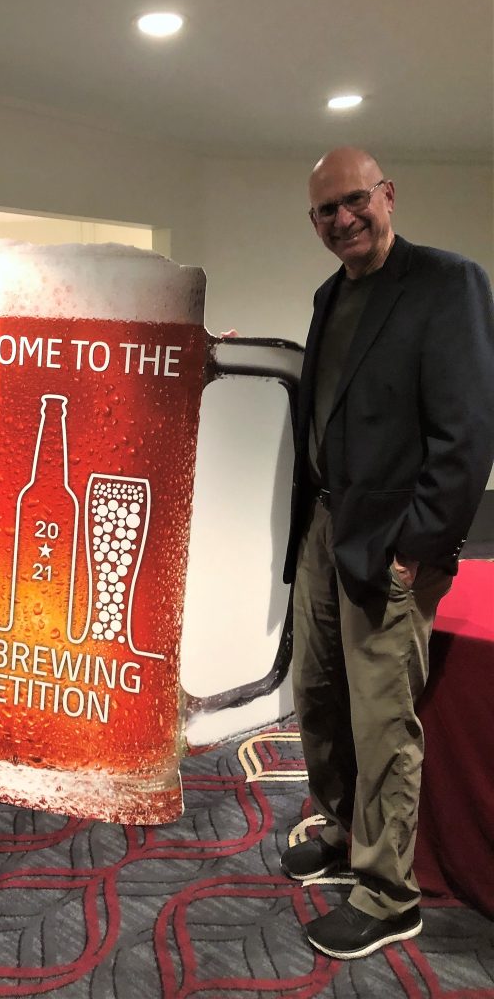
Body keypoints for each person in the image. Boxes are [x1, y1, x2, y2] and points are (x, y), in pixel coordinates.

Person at [281, 147, 494, 959]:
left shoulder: (449, 284)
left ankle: (387, 892)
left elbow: (467, 434)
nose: (342, 219)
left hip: (394, 540)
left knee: (382, 720)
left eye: (354, 201)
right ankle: (341, 831)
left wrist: (418, 549)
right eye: (325, 211)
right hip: (327, 529)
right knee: (319, 694)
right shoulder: (328, 295)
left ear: (387, 195)